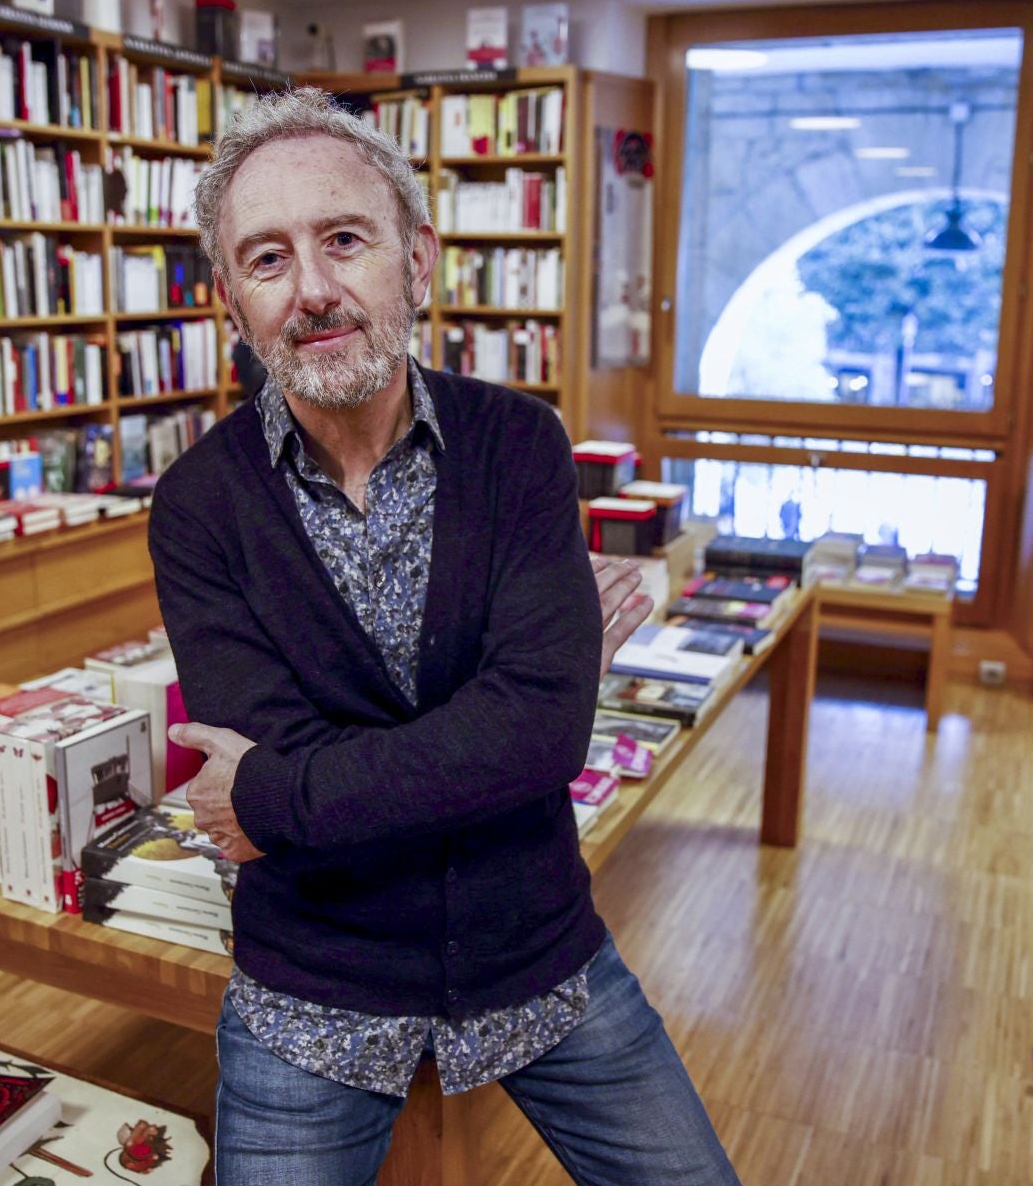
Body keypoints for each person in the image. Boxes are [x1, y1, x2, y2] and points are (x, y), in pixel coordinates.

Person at [146, 87, 740, 1185]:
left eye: (343, 240)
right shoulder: (197, 506)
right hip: (311, 984)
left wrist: (282, 798)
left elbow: (540, 734)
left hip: (538, 952)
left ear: (416, 257)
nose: (314, 290)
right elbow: (482, 730)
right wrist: (480, 735)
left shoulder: (519, 444)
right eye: (268, 260)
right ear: (232, 301)